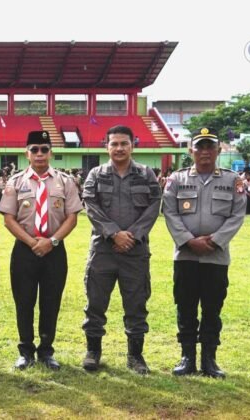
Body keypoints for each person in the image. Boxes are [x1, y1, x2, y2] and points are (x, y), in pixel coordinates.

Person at [162, 128, 246, 378]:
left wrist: (216, 241)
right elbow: (170, 212)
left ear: (218, 150)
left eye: (210, 146)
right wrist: (188, 240)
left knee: (212, 308)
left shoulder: (232, 180)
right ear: (191, 151)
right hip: (186, 256)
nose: (205, 151)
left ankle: (209, 359)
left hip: (216, 257)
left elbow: (237, 215)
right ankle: (187, 356)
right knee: (185, 306)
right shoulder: (177, 179)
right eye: (200, 147)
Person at [0, 131, 82, 370]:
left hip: (54, 250)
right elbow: (9, 219)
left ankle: (46, 350)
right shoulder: (15, 182)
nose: (39, 154)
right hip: (25, 250)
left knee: (51, 301)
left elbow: (72, 217)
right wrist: (32, 242)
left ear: (51, 153)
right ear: (27, 153)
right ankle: (25, 351)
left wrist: (51, 241)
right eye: (34, 149)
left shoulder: (65, 181)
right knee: (23, 301)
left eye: (44, 149)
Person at [80, 125, 161, 374]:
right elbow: (90, 205)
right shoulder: (96, 174)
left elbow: (154, 206)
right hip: (103, 250)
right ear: (107, 147)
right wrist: (114, 233)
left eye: (124, 143)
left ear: (132, 145)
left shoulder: (146, 174)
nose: (119, 148)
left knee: (136, 304)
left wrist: (132, 236)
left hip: (135, 251)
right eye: (114, 144)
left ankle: (135, 356)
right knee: (95, 303)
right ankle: (93, 351)